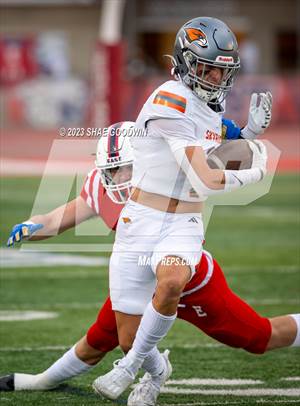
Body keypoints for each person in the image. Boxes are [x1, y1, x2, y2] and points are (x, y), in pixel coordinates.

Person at [91, 16, 276, 403]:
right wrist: (254, 174)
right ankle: (155, 372)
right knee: (128, 338)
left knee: (172, 282)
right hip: (140, 218)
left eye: (221, 70)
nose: (214, 77)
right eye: (207, 67)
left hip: (183, 220)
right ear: (185, 62)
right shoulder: (169, 100)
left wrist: (247, 134)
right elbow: (206, 177)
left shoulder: (207, 100)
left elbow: (215, 131)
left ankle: (127, 370)